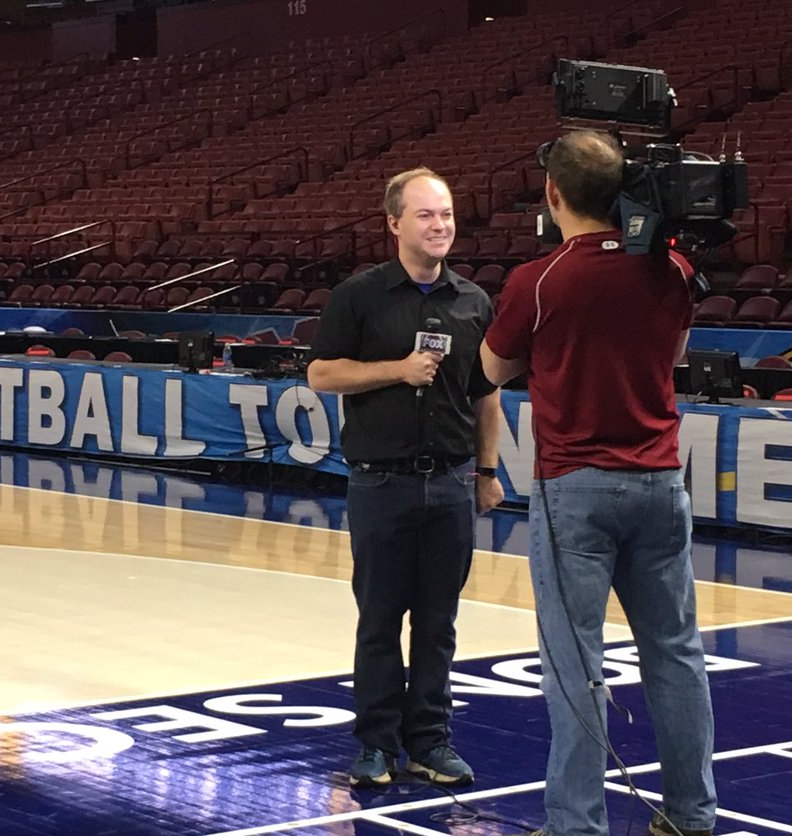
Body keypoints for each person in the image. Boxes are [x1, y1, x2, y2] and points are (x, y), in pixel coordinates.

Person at [479, 130, 716, 836]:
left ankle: (576, 824)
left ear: (553, 194)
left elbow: (490, 371)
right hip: (658, 481)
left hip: (576, 486)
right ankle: (692, 814)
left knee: (575, 661)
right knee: (675, 652)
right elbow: (676, 353)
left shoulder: (540, 279)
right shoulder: (672, 269)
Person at [307, 168, 504, 789]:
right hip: (380, 484)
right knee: (380, 619)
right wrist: (396, 369)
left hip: (449, 483)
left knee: (439, 624)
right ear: (394, 223)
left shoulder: (473, 302)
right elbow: (321, 375)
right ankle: (374, 745)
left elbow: (487, 395)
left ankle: (431, 741)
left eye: (446, 214)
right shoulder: (359, 296)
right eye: (426, 215)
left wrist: (489, 471)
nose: (440, 225)